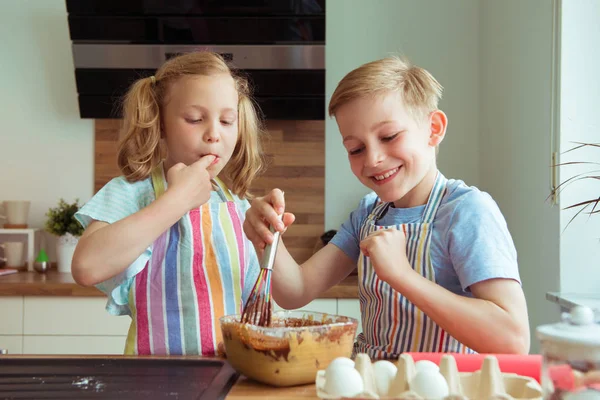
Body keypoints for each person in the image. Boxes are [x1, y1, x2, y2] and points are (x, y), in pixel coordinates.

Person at [243, 56, 530, 359]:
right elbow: (295, 291)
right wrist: (267, 237)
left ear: (433, 128)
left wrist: (402, 275)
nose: (372, 159)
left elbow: (511, 339)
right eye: (356, 149)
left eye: (389, 136)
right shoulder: (368, 213)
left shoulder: (467, 212)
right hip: (372, 384)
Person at [71, 51, 264, 356]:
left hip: (231, 378)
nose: (214, 134)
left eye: (227, 121)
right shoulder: (131, 193)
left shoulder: (239, 206)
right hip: (150, 380)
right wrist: (176, 201)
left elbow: (258, 308)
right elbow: (86, 267)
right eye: (195, 119)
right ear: (160, 124)